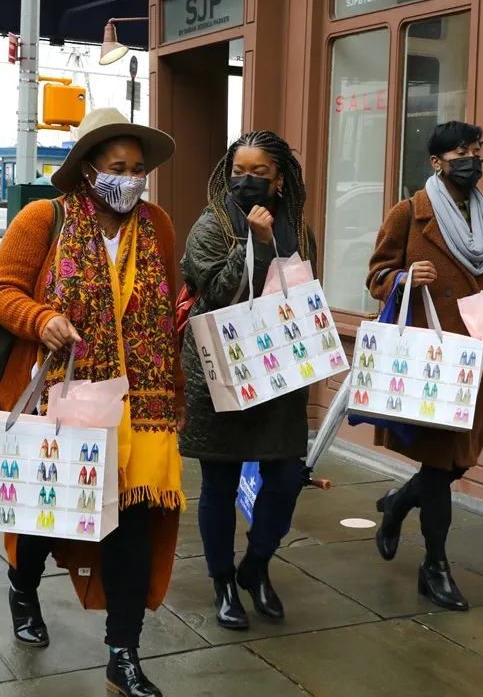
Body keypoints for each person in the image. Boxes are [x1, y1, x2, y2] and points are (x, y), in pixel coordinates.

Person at [0, 107, 185, 697]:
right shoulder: (42, 218)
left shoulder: (159, 226)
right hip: (60, 400)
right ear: (88, 169)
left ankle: (122, 655)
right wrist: (42, 318)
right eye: (118, 167)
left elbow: (165, 311)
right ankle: (23, 588)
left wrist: (173, 393)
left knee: (131, 529)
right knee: (44, 521)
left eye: (139, 169)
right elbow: (2, 292)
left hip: (139, 407)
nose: (131, 178)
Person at [367, 120, 483, 611]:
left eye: (475, 149)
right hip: (429, 359)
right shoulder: (409, 214)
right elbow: (375, 276)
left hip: (472, 363)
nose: (471, 158)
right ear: (437, 161)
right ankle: (435, 565)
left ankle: (398, 504)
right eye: (460, 151)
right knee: (440, 467)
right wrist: (402, 276)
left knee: (457, 462)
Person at [179, 131, 316, 630]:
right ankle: (222, 583)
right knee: (220, 481)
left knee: (283, 479)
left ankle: (255, 566)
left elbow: (304, 293)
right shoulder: (210, 226)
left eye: (260, 173)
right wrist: (255, 245)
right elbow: (215, 294)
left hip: (279, 370)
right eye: (241, 170)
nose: (248, 181)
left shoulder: (299, 230)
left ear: (280, 180)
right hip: (222, 372)